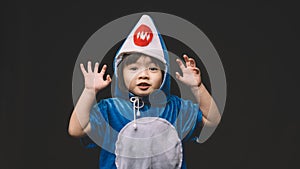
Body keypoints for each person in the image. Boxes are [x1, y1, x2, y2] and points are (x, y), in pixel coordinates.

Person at [68, 14, 221, 169]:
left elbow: (212, 120)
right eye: (133, 68)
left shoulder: (174, 108)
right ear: (120, 73)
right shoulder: (110, 110)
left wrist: (197, 87)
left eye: (153, 68)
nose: (143, 75)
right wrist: (89, 91)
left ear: (164, 74)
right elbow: (76, 129)